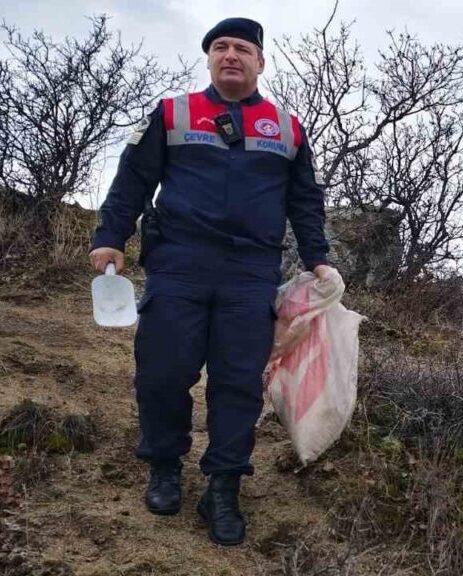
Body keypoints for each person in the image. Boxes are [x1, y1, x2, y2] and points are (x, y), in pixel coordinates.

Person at [87, 17, 333, 546]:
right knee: (162, 371)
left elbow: (305, 203)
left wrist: (319, 259)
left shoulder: (287, 129)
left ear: (261, 62)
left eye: (242, 49)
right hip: (179, 263)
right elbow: (133, 179)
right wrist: (109, 236)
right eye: (220, 47)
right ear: (208, 59)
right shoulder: (174, 113)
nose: (230, 55)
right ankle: (165, 466)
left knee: (238, 383)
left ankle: (222, 485)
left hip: (250, 274)